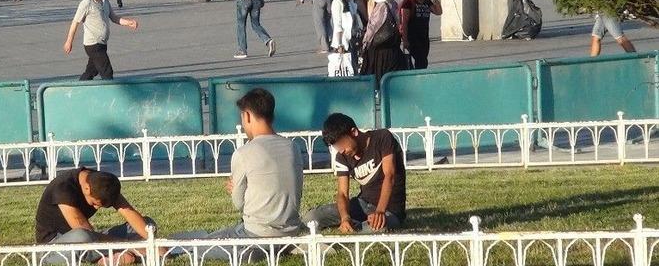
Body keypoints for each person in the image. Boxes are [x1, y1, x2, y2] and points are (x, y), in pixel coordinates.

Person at [173, 88, 303, 257]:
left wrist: (236, 190)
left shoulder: (243, 153)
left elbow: (239, 204)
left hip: (256, 234)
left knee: (199, 247)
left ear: (247, 115)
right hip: (290, 232)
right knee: (220, 234)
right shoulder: (293, 147)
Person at [303, 113, 406, 233]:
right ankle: (354, 223)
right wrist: (345, 217)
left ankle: (361, 225)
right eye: (336, 146)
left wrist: (380, 211)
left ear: (354, 132)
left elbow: (390, 176)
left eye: (341, 144)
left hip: (389, 209)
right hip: (362, 205)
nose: (340, 150)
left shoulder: (382, 138)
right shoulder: (342, 157)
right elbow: (342, 193)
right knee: (310, 218)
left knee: (376, 228)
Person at [34, 167, 155, 265]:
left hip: (90, 238)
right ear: (86, 189)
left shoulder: (103, 183)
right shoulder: (63, 188)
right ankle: (115, 255)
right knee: (82, 236)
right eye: (94, 203)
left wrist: (152, 241)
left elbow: (128, 212)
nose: (97, 208)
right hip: (53, 247)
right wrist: (129, 245)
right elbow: (86, 233)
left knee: (148, 224)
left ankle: (110, 257)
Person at [63, 0, 138, 81]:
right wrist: (69, 41)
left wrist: (128, 22)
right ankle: (110, 94)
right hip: (93, 44)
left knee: (91, 71)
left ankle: (78, 90)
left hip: (102, 44)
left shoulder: (104, 0)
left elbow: (113, 17)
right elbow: (75, 22)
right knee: (107, 71)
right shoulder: (86, 3)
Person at [357, 0, 405, 87]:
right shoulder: (393, 3)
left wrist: (364, 45)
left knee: (378, 80)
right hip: (393, 48)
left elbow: (373, 28)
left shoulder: (381, 6)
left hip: (380, 50)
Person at [399, 0, 442, 69]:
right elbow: (404, 22)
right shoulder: (408, 2)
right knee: (421, 61)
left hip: (424, 36)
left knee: (423, 61)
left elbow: (438, 12)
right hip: (413, 37)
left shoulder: (426, 1)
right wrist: (405, 40)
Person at [331, 0, 362, 73]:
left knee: (355, 67)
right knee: (347, 69)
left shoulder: (350, 1)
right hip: (344, 42)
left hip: (353, 39)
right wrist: (339, 44)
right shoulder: (337, 2)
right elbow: (337, 24)